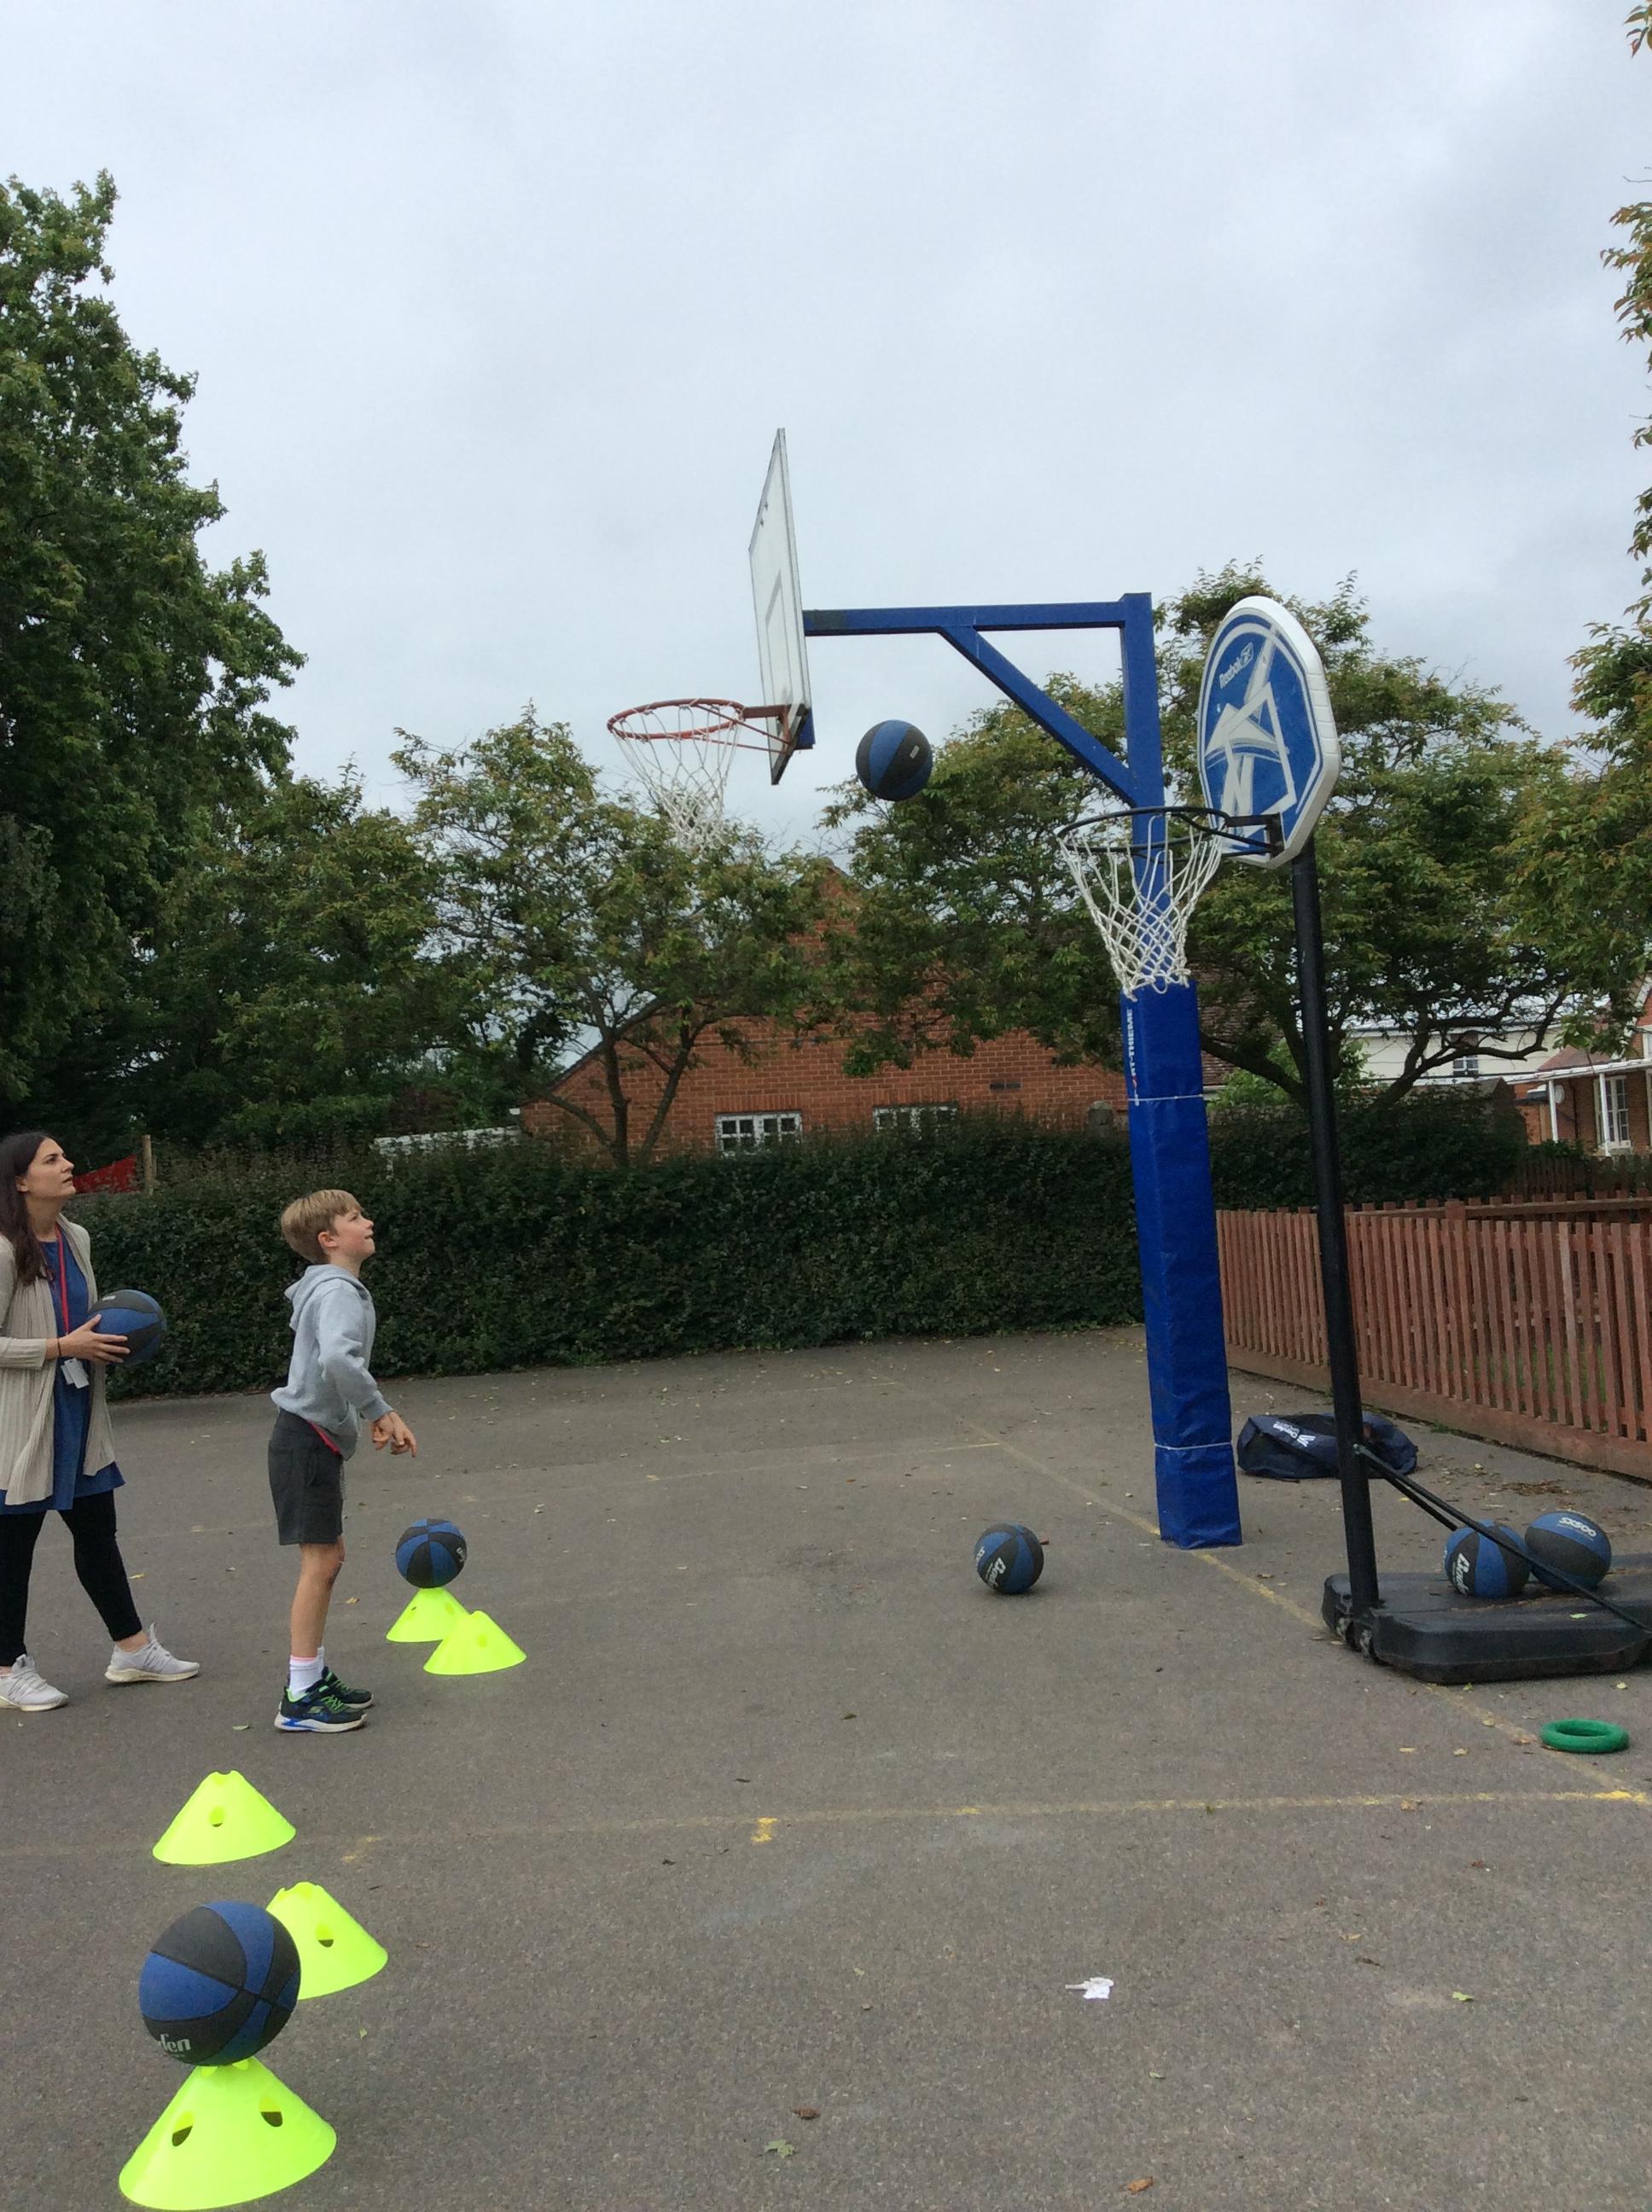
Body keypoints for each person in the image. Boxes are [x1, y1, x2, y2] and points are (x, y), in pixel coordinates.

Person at [0, 1130, 199, 1712]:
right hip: (18, 1423)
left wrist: (106, 1343)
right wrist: (62, 1347)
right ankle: (7, 1668)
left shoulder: (75, 1236)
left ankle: (132, 1650)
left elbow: (82, 1319)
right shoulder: (3, 1251)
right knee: (12, 1548)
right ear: (20, 1181)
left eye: (64, 1155)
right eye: (52, 1159)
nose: (69, 1164)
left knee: (96, 1532)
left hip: (78, 1410)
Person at [269, 1187, 416, 1733]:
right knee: (322, 1564)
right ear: (329, 1239)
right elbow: (337, 1358)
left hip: (312, 1439)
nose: (368, 1221)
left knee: (329, 1559)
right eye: (355, 1217)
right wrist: (380, 1409)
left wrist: (362, 1414)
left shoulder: (329, 1287)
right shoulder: (337, 1291)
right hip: (304, 1441)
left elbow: (326, 1363)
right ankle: (300, 1698)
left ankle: (312, 1675)